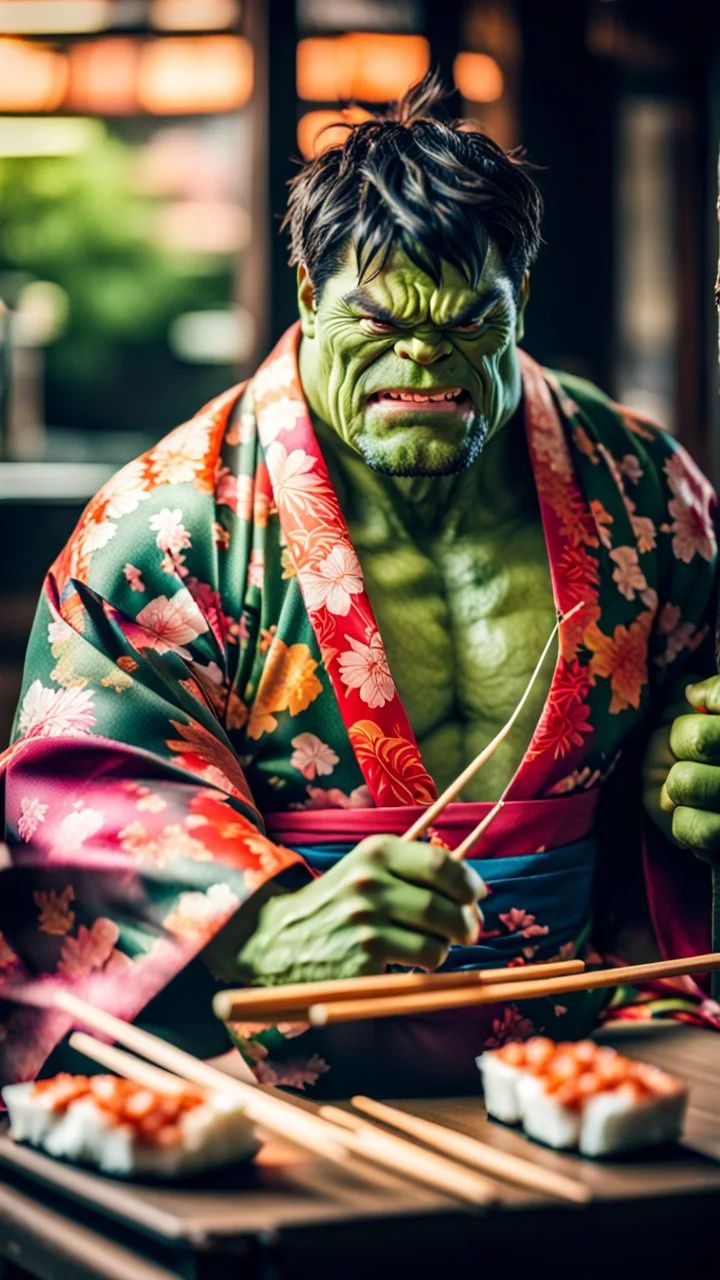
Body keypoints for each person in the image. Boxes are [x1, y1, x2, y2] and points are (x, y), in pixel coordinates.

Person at [2, 75, 719, 1095]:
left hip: (602, 1051)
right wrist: (263, 924)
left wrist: (690, 773)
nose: (425, 357)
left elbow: (700, 707)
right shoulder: (165, 527)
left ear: (522, 300)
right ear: (306, 295)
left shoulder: (642, 489)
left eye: (471, 322)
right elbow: (81, 784)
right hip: (283, 1071)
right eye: (380, 322)